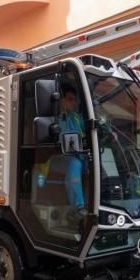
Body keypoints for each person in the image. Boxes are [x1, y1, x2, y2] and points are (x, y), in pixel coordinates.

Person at [49, 85, 87, 225]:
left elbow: (91, 125)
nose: (73, 102)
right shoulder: (54, 118)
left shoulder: (76, 117)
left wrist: (107, 130)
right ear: (61, 100)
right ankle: (77, 208)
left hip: (79, 156)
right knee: (74, 164)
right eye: (70, 99)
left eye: (74, 100)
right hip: (58, 158)